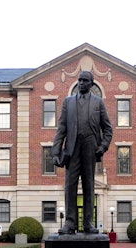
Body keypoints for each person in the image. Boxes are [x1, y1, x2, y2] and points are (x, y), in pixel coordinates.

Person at [52, 71, 113, 234]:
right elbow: (61, 128)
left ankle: (88, 223)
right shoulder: (68, 102)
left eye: (85, 80)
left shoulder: (98, 102)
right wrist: (55, 151)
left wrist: (103, 146)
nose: (81, 83)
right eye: (79, 80)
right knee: (70, 186)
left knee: (89, 185)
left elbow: (107, 128)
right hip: (72, 148)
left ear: (91, 84)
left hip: (90, 147)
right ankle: (70, 223)